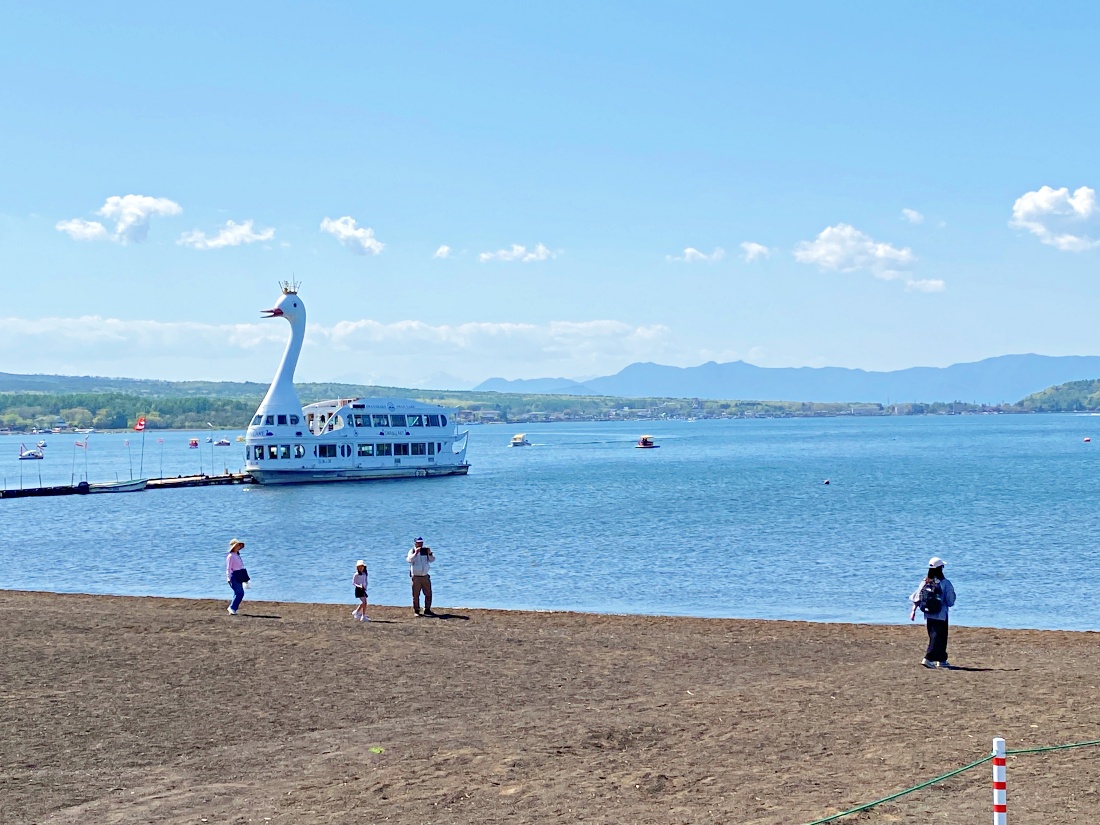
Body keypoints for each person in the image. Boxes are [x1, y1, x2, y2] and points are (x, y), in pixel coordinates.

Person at [909, 556, 956, 668]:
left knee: (934, 636)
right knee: (939, 637)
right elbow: (950, 601)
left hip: (928, 613)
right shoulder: (945, 583)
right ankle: (928, 658)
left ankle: (941, 659)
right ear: (941, 568)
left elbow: (917, 596)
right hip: (941, 614)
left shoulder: (925, 582)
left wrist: (913, 611)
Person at [406, 536, 436, 616]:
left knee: (428, 593)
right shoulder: (412, 551)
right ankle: (416, 610)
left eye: (421, 543)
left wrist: (429, 553)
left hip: (425, 576)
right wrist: (416, 553)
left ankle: (427, 609)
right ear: (415, 543)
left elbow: (432, 559)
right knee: (416, 594)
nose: (420, 544)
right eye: (418, 543)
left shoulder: (425, 551)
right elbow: (409, 560)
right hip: (416, 576)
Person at [225, 538, 248, 615]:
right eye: (236, 546)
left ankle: (233, 608)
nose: (238, 547)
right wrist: (228, 578)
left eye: (238, 546)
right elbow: (228, 568)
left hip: (239, 575)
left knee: (238, 592)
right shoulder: (230, 556)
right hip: (234, 576)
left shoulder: (237, 555)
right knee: (240, 593)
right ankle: (232, 608)